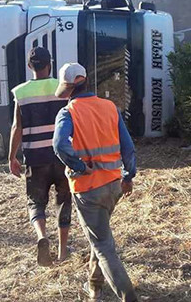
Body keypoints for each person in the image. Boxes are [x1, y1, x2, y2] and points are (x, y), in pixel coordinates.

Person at [53, 63, 138, 302]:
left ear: (68, 88)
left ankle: (128, 297)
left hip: (88, 190)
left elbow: (59, 145)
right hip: (114, 186)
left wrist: (79, 166)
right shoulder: (110, 107)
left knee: (103, 246)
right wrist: (129, 176)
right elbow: (128, 148)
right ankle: (94, 287)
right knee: (99, 235)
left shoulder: (68, 112)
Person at [8, 47, 72, 267]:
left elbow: (18, 126)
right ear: (50, 65)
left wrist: (12, 157)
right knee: (64, 201)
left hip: (35, 158)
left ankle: (41, 236)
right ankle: (63, 252)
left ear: (29, 66)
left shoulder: (21, 92)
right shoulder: (62, 88)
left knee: (36, 202)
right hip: (62, 156)